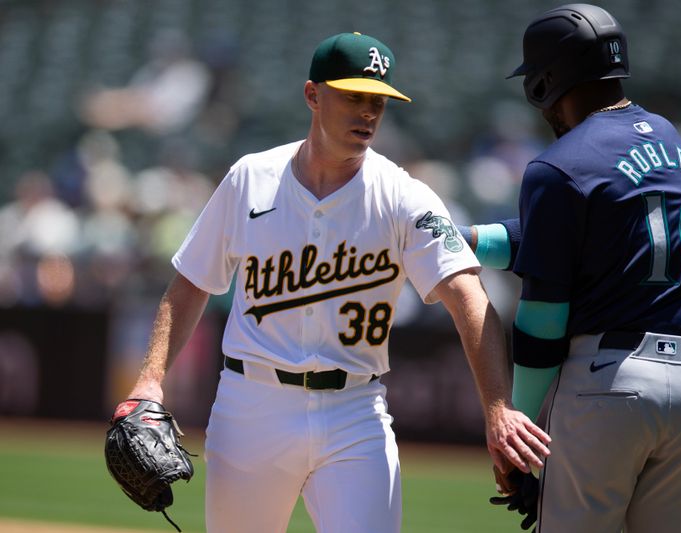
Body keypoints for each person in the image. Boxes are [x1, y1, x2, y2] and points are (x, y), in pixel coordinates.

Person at [118, 31, 550, 533]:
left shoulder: (404, 196)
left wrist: (497, 407)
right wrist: (149, 379)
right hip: (251, 406)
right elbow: (190, 284)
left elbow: (470, 299)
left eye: (378, 101)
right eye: (353, 96)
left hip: (355, 413)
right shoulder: (249, 179)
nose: (368, 112)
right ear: (313, 96)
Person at [460, 4, 681, 532]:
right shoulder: (671, 139)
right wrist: (467, 241)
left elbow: (543, 318)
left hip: (614, 384)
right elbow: (586, 236)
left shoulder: (557, 164)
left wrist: (523, 431)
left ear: (546, 81)